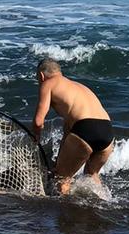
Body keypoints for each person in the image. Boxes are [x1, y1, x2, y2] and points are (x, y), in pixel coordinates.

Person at [31, 58, 114, 195]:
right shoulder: (77, 87)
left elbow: (38, 122)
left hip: (85, 128)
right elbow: (69, 131)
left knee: (62, 179)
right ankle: (103, 206)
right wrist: (60, 162)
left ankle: (65, 214)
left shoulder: (48, 84)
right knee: (92, 175)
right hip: (107, 132)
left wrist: (36, 137)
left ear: (41, 76)